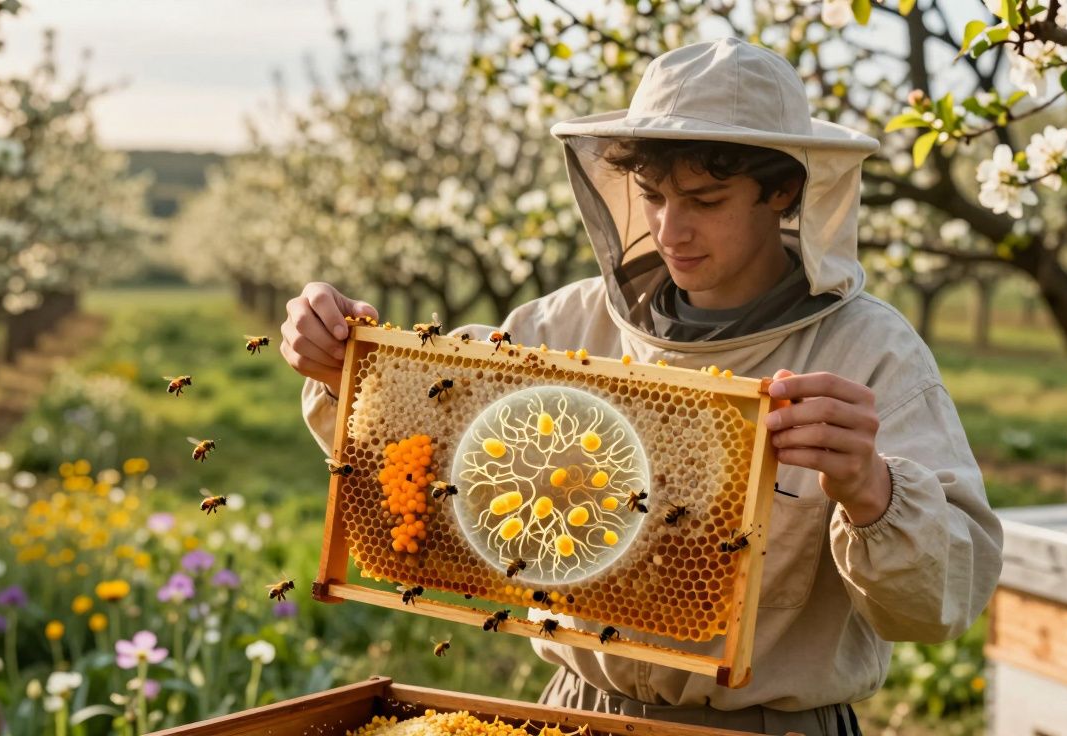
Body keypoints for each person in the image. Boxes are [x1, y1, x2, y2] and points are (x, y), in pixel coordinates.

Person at [284, 38, 1002, 736]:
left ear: (782, 189)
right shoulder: (558, 324)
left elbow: (938, 608)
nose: (670, 229)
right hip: (576, 710)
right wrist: (341, 365)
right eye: (653, 196)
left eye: (706, 199)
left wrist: (873, 490)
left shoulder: (868, 353)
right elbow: (426, 445)